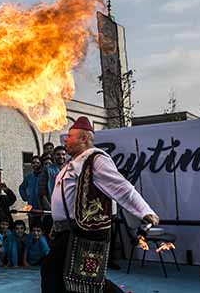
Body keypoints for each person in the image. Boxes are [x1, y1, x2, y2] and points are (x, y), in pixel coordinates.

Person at [40, 117, 159, 293]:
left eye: (71, 136)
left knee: (72, 278)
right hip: (64, 231)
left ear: (84, 139)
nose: (66, 139)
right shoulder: (71, 163)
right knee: (70, 279)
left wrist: (144, 210)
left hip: (81, 231)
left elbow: (122, 187)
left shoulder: (96, 160)